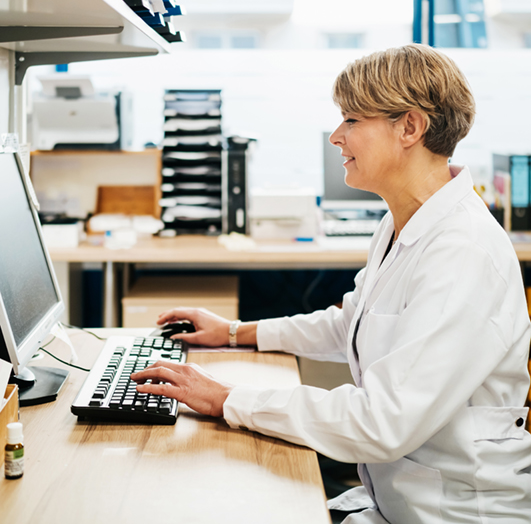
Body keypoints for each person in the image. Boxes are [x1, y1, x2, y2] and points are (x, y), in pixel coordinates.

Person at [131, 44, 531, 523]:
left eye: (353, 120)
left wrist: (228, 399)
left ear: (410, 127)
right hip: (396, 500)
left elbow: (384, 422)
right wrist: (236, 332)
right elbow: (353, 324)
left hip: (452, 513)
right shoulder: (405, 222)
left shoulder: (463, 253)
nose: (336, 137)